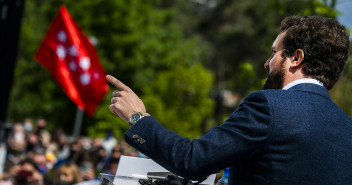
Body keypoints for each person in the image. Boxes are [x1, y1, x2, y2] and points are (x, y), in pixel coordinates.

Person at [107, 15, 351, 185]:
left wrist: (138, 117)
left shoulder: (269, 106)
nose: (267, 62)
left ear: (296, 58)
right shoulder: (347, 127)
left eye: (274, 52)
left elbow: (191, 160)